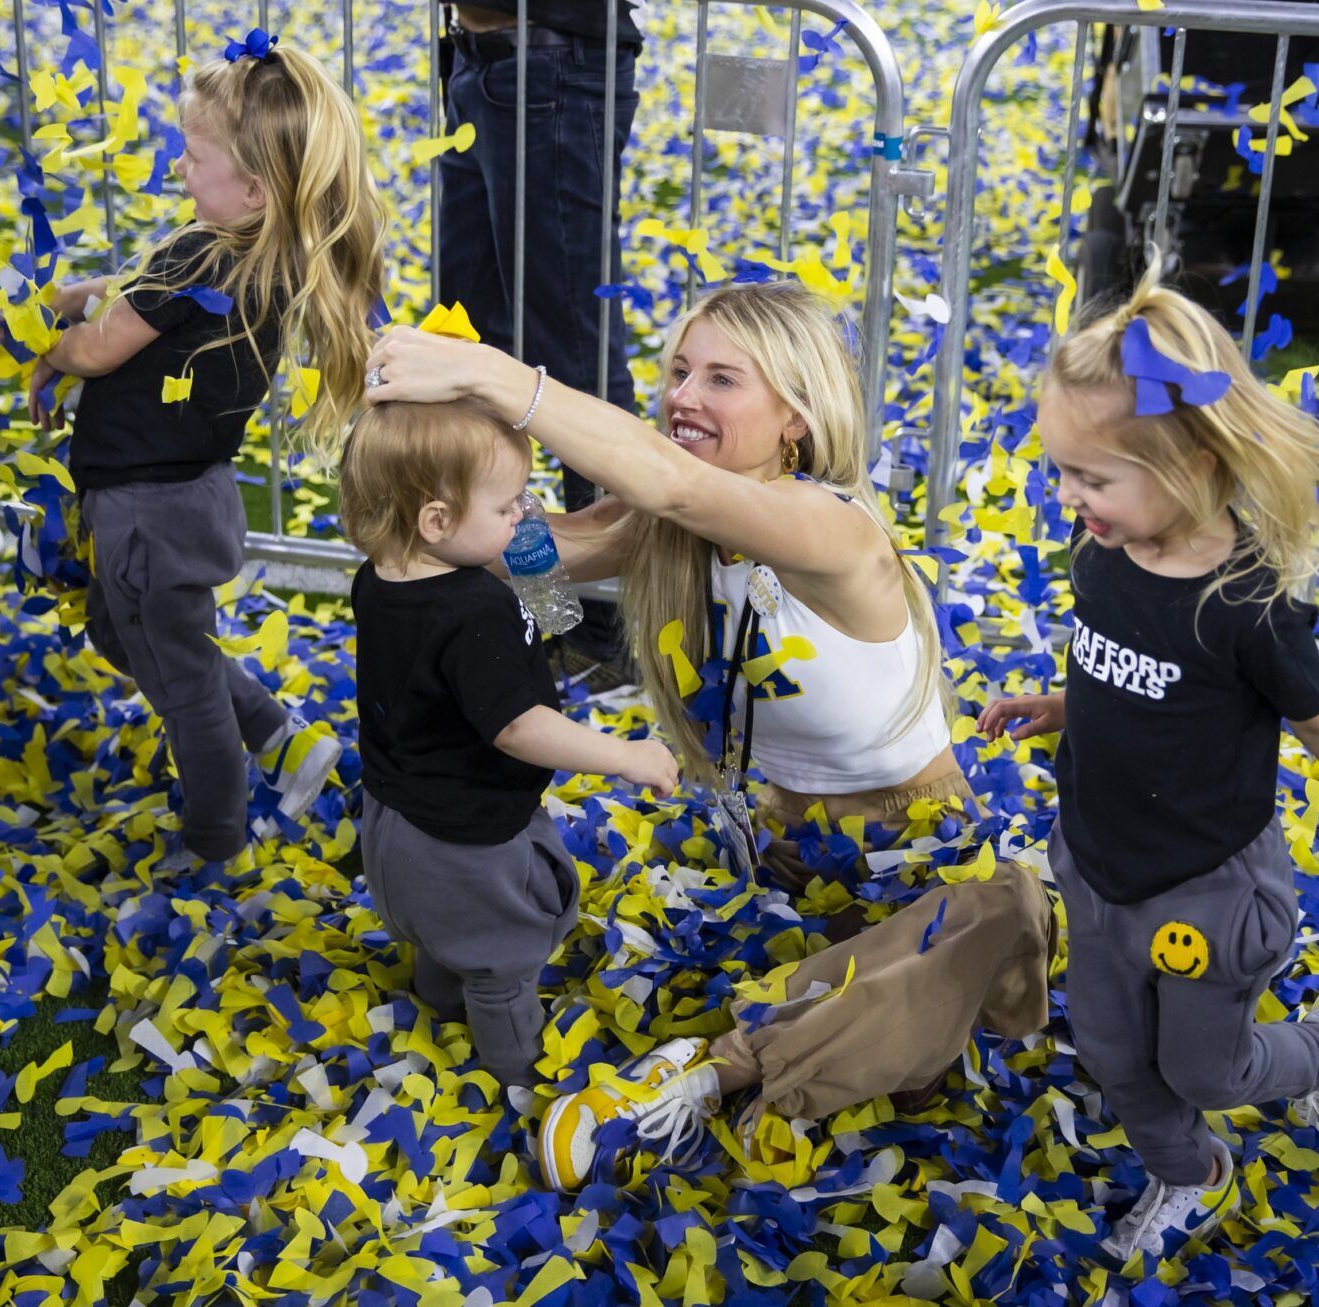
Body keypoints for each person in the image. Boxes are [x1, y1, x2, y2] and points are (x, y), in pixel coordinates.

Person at [361, 279, 1053, 1192]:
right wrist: (437, 474)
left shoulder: (832, 523)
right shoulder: (668, 524)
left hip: (905, 848)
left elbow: (676, 483)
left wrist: (491, 374)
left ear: (795, 419)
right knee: (906, 1005)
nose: (684, 395)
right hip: (771, 854)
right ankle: (808, 1032)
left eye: (723, 379)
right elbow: (522, 551)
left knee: (1004, 912)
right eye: (680, 371)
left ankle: (708, 1070)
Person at [979, 267, 1319, 1262]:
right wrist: (1057, 705)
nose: (1067, 496)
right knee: (1119, 1055)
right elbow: (1127, 671)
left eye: (1092, 475)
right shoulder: (1103, 556)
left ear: (1190, 462)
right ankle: (1194, 1172)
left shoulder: (1247, 607)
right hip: (1096, 858)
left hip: (1205, 887)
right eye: (1062, 471)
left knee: (1207, 1067)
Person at [26, 33, 383, 868]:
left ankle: (216, 831)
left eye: (191, 156)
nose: (178, 171)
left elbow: (102, 346)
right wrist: (84, 292)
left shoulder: (204, 250)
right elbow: (136, 288)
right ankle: (279, 738)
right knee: (128, 636)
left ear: (254, 186)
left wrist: (46, 343)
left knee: (181, 679)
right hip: (183, 497)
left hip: (149, 508)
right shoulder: (267, 251)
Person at [340, 398, 678, 1086]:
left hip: (395, 819)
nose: (526, 515)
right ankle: (517, 1072)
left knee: (444, 938)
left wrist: (525, 557)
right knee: (501, 960)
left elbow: (527, 596)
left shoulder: (380, 578)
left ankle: (437, 998)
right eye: (507, 505)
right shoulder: (474, 613)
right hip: (465, 845)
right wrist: (626, 755)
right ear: (436, 520)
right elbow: (519, 726)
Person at [436, 0, 643, 671]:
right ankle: (542, 604)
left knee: (574, 357)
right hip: (486, 56)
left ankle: (609, 635)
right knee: (473, 356)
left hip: (549, 60)